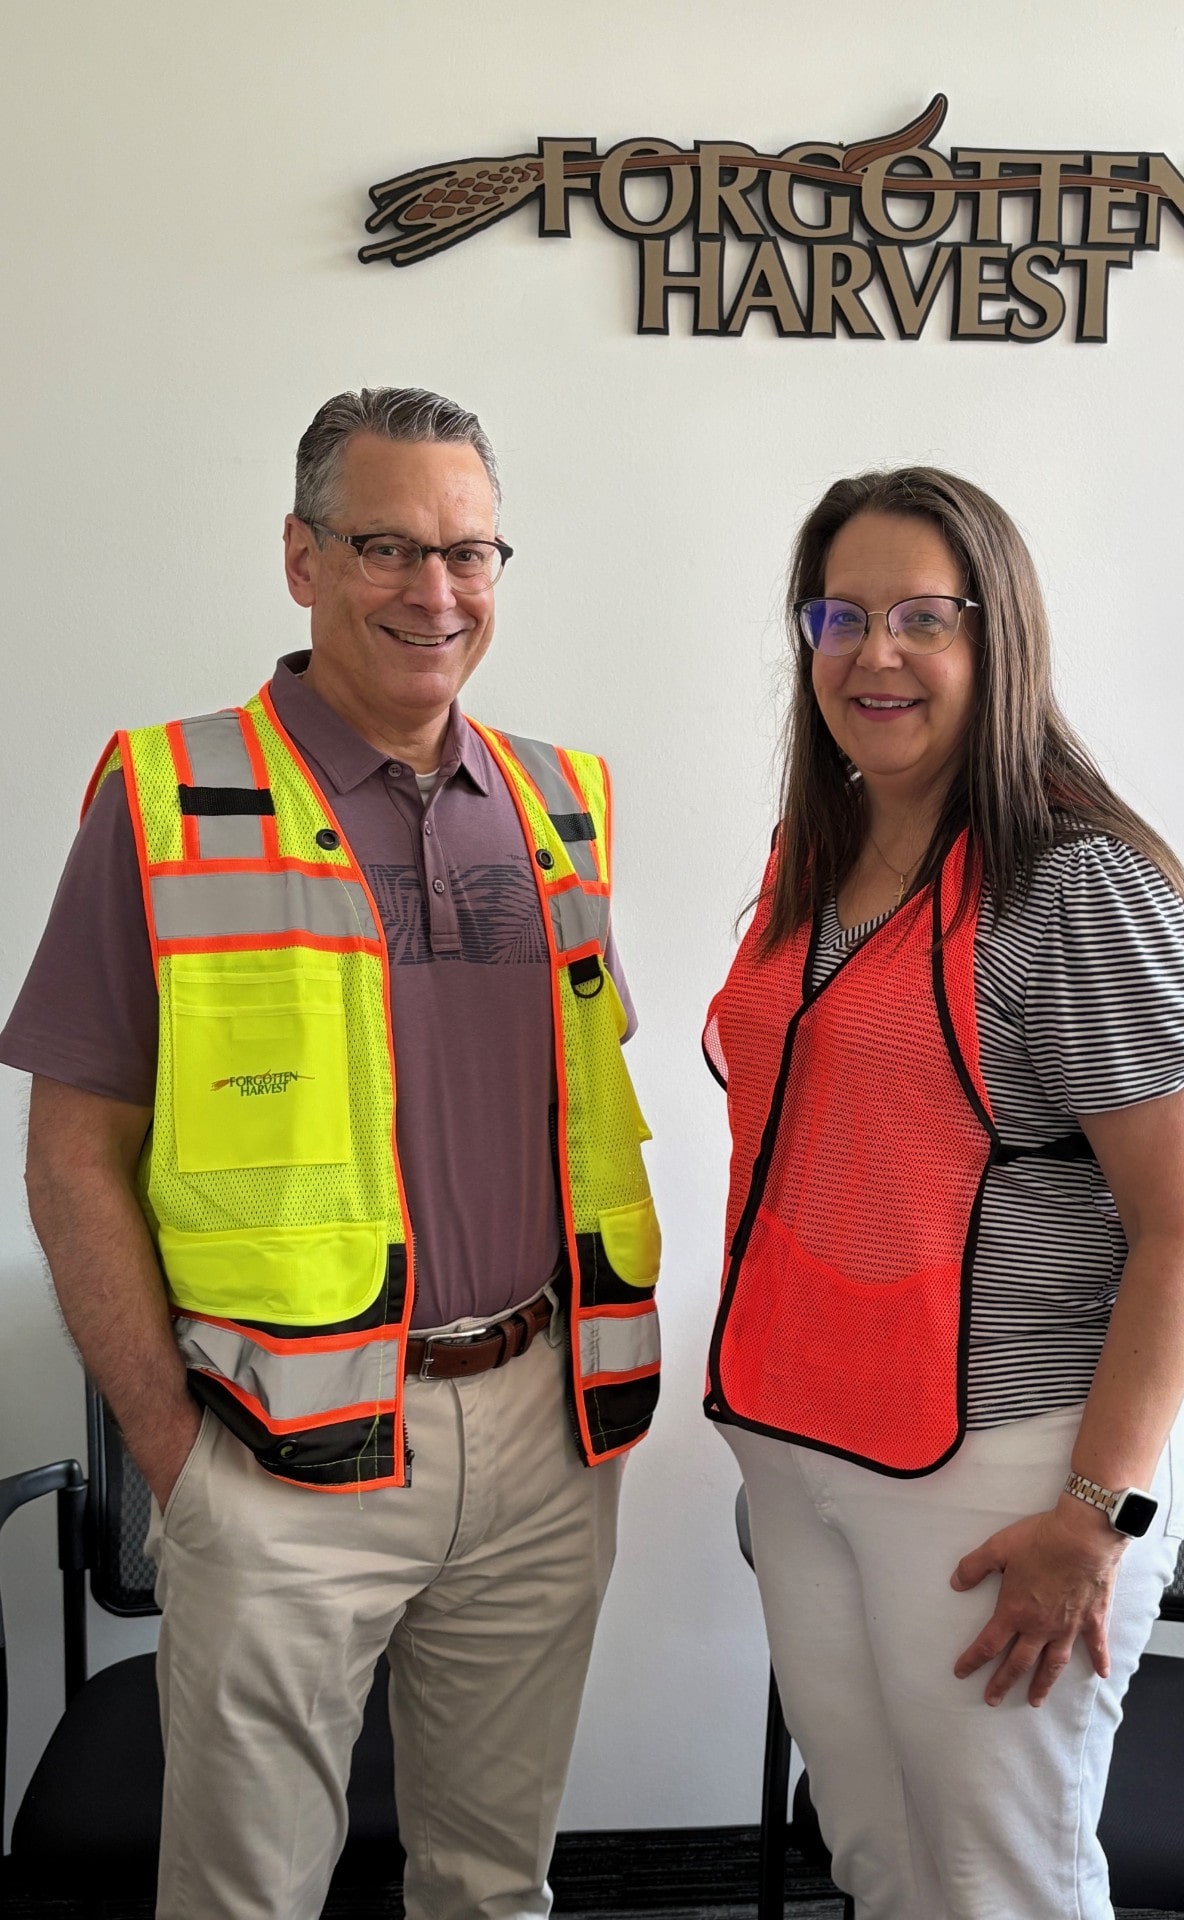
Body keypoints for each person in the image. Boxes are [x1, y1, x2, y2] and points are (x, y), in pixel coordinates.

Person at [0, 387, 662, 1920]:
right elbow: (73, 1158)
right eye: (388, 547)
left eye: (471, 552)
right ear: (300, 559)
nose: (437, 593)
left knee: (495, 1886)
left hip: (545, 1433)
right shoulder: (169, 796)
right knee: (245, 1897)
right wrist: (179, 1461)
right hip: (277, 1451)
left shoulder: (562, 800)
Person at [702, 468, 1184, 1920]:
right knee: (878, 1859)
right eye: (840, 615)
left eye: (922, 618)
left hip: (1007, 1459)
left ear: (998, 640)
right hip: (803, 1441)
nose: (874, 654)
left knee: (1002, 1877)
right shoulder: (810, 861)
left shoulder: (1074, 884)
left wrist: (1097, 1513)